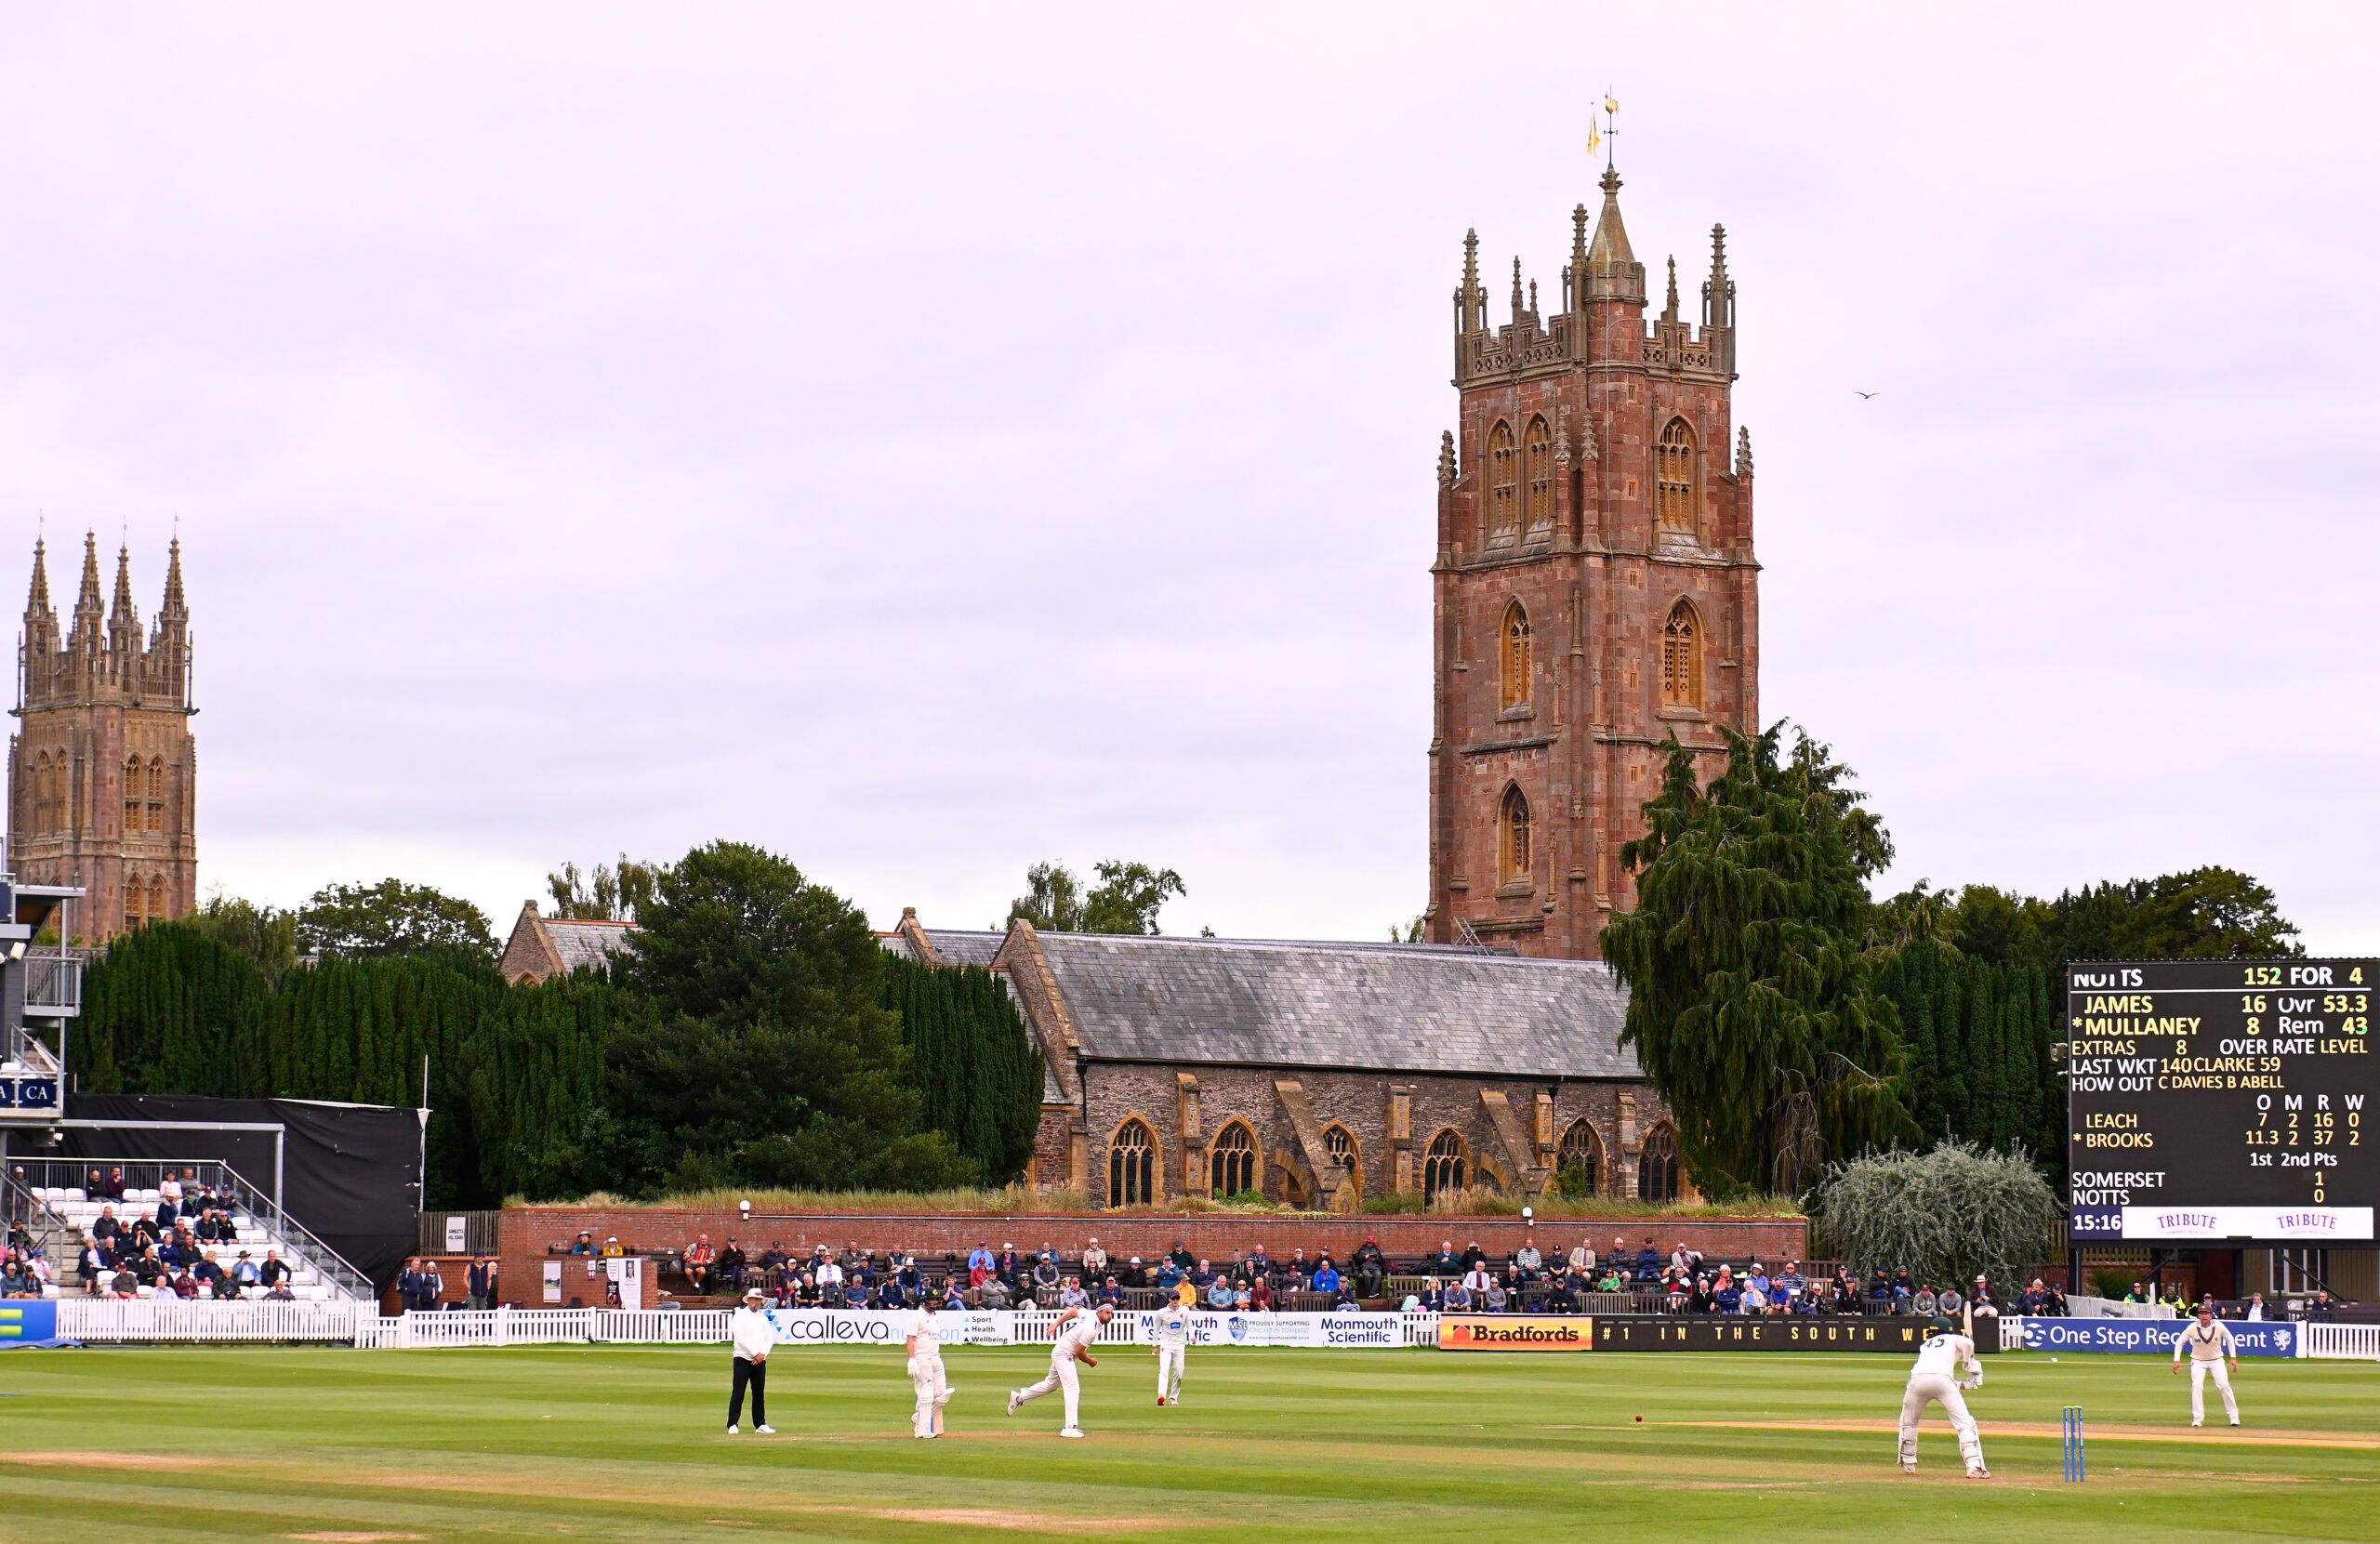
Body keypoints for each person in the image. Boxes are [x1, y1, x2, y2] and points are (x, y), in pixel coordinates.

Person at [1009, 1302, 1114, 1437]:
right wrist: (1091, 1362)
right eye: (1107, 1313)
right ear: (1099, 1312)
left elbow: (1073, 1311)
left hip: (1062, 1351)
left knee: (1050, 1385)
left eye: (1111, 1313)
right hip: (1064, 1354)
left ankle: (1018, 1398)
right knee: (1073, 1388)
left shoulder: (1088, 1314)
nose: (1110, 1316)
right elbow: (1080, 1352)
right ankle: (1069, 1427)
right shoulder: (1091, 1328)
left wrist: (1056, 1324)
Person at [1899, 1323, 1989, 1477]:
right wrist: (1969, 1363)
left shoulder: (1926, 1345)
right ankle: (1974, 1467)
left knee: (1909, 1422)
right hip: (1942, 1380)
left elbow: (1931, 1377)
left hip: (1916, 1381)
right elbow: (1968, 1343)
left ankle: (1908, 1463)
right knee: (1965, 1424)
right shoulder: (1954, 1338)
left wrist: (1966, 1384)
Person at [2172, 1302, 2241, 1427]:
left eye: (2206, 1313)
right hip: (2198, 1361)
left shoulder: (2219, 1326)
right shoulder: (2192, 1327)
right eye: (2201, 1313)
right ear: (2198, 1315)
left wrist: (2233, 1358)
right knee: (2197, 1386)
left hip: (2216, 1360)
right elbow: (2180, 1342)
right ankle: (2198, 1418)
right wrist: (2177, 1360)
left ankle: (2234, 1416)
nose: (2204, 1316)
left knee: (2224, 1386)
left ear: (2211, 1315)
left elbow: (2230, 1339)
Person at [726, 1286, 776, 1434]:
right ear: (749, 1300)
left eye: (760, 1300)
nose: (759, 1302)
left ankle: (760, 1423)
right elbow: (740, 1338)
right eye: (756, 1299)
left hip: (760, 1360)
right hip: (742, 1358)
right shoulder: (740, 1316)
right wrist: (755, 1353)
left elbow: (769, 1339)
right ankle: (732, 1424)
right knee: (738, 1392)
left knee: (759, 1393)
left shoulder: (762, 1318)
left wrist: (762, 1355)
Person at [905, 1293, 954, 1438]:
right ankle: (923, 1431)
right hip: (922, 1358)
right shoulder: (916, 1318)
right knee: (926, 1393)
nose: (934, 1302)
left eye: (936, 1300)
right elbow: (910, 1340)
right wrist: (912, 1359)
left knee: (942, 1394)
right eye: (931, 1300)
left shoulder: (936, 1317)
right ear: (924, 1301)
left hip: (935, 1357)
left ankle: (919, 1418)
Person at [1152, 1288, 1191, 1405]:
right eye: (1173, 1298)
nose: (1175, 1300)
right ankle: (1161, 1395)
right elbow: (1156, 1329)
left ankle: (1173, 1397)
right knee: (1164, 1370)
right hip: (1166, 1344)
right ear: (1169, 1299)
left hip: (1179, 1345)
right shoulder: (1162, 1313)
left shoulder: (1185, 1311)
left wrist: (1192, 1336)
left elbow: (1189, 1325)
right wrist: (1154, 1346)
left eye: (1177, 1298)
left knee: (1179, 1373)